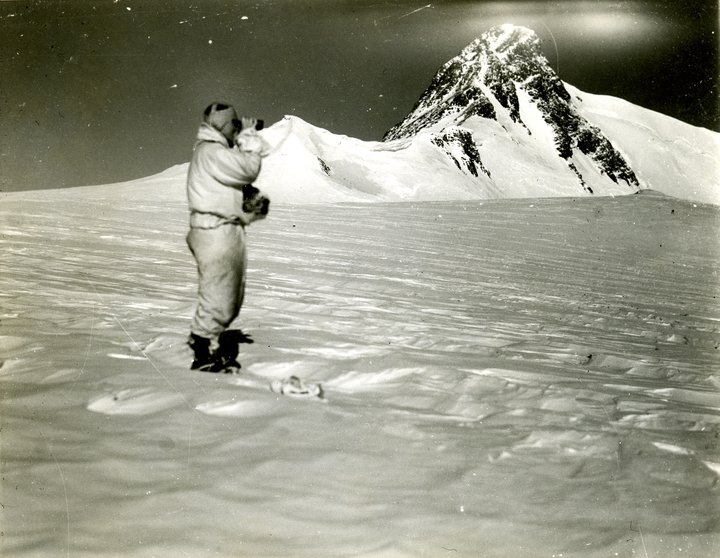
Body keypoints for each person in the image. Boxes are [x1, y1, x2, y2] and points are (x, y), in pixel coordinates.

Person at [185, 102, 270, 372]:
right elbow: (247, 169)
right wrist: (249, 137)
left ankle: (208, 345)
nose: (237, 129)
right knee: (218, 296)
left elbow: (226, 193)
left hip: (221, 230)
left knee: (228, 297)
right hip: (215, 233)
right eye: (234, 124)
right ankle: (203, 353)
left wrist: (248, 207)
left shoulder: (213, 153)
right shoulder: (211, 152)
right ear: (223, 126)